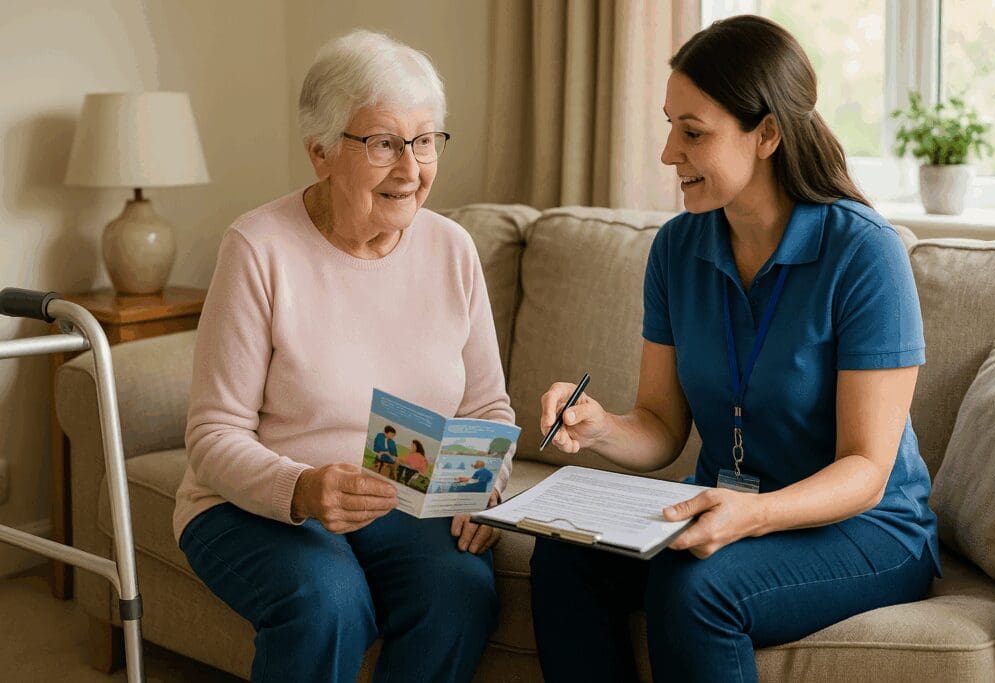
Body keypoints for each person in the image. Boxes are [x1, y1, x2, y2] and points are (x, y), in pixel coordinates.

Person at [530, 15, 939, 683]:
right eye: (669, 125)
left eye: (692, 132)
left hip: (865, 527)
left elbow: (866, 467)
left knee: (697, 590)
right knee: (564, 558)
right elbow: (661, 427)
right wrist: (599, 425)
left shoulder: (864, 252)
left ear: (768, 134)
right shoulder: (676, 249)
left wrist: (755, 513)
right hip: (726, 505)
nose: (668, 153)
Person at [174, 30, 514, 682]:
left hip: (404, 493)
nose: (411, 169)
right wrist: (301, 488)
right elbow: (212, 437)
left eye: (424, 140)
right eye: (384, 143)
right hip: (252, 502)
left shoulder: (452, 249)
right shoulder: (258, 247)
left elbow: (486, 404)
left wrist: (483, 487)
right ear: (321, 153)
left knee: (461, 593)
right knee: (328, 601)